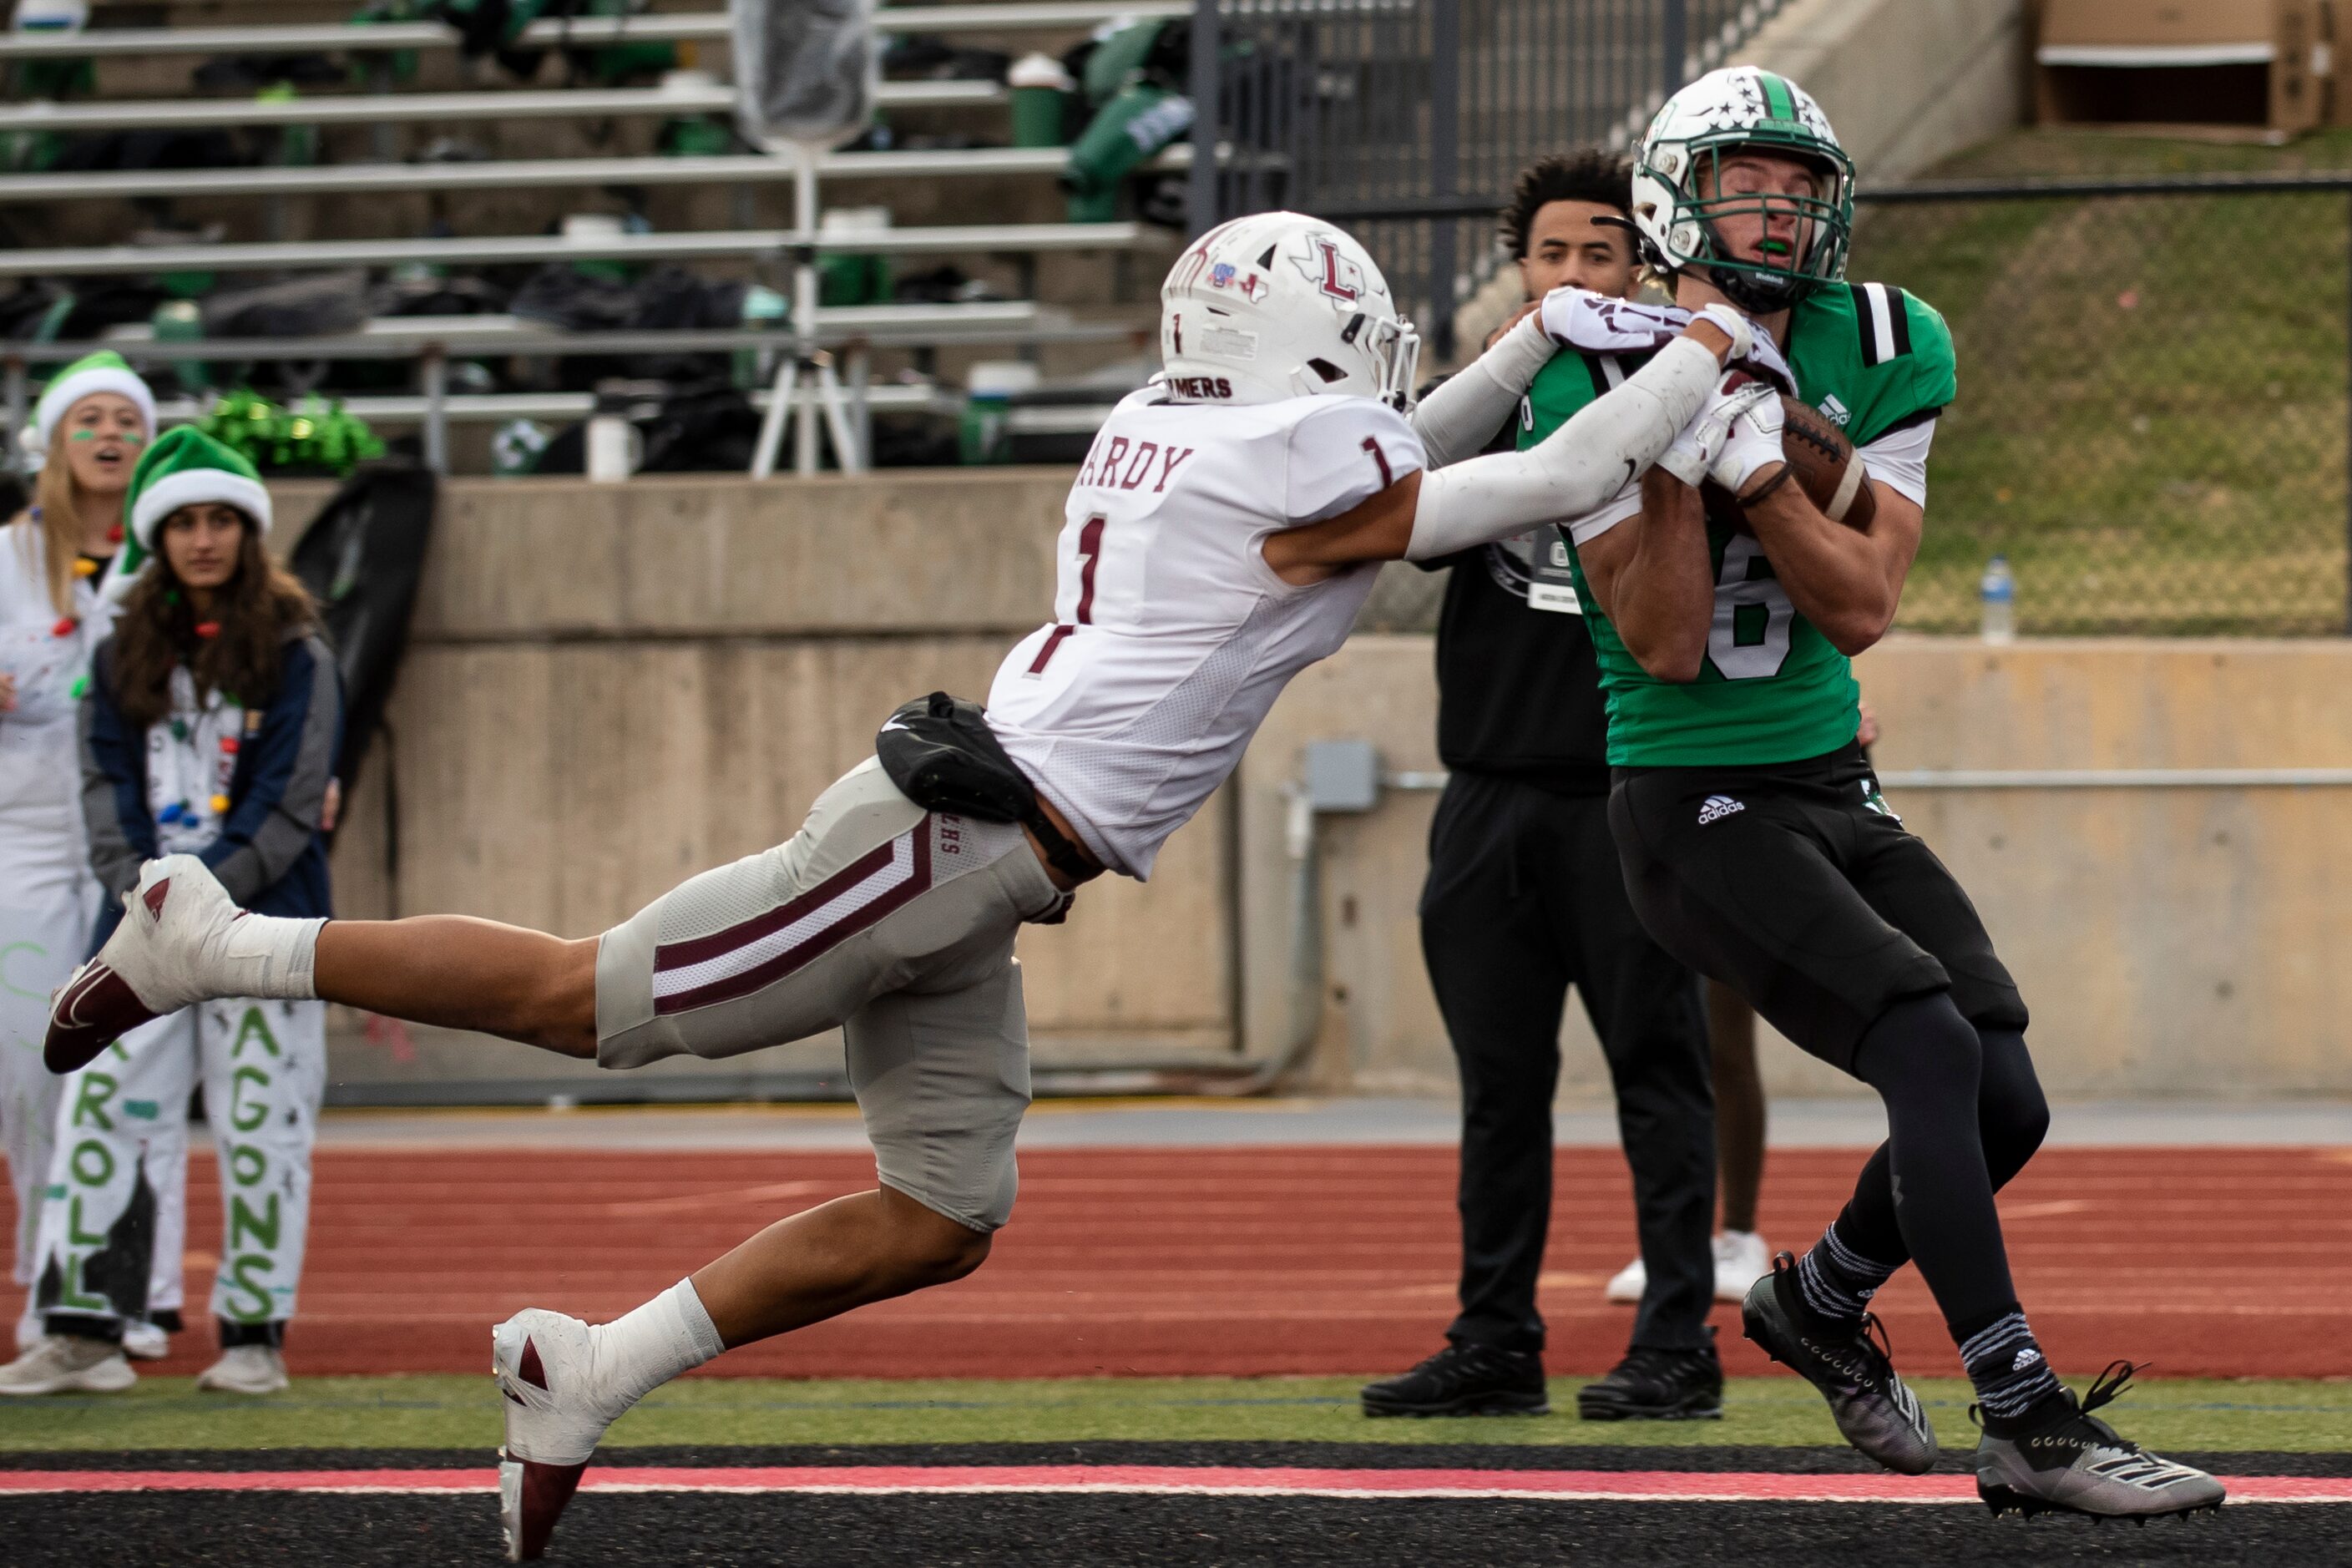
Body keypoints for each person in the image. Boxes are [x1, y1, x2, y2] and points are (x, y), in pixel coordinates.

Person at [41, 211, 1758, 1560]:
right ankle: (220, 940)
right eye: (1349, 339)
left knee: (941, 1211)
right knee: (593, 1001)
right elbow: (1537, 482)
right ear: (1294, 344)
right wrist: (1698, 353)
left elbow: (1418, 452)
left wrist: (1539, 330)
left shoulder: (1200, 426)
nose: (1374, 367)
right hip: (937, 843)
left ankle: (592, 1368)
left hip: (986, 861)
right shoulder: (1282, 462)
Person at [1517, 65, 2223, 1518]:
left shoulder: (1888, 336)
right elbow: (1659, 638)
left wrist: (1761, 467)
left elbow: (1863, 600)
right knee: (1918, 1036)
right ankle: (2022, 1413)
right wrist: (1672, 448)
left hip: (1833, 775)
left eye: (1795, 183)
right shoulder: (1583, 366)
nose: (1775, 207)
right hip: (1688, 794)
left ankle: (1818, 1298)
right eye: (1743, 180)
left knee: (2003, 1093)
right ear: (1675, 197)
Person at [1359, 151, 1722, 1424]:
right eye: (1553, 255)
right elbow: (1390, 477)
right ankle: (1494, 1336)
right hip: (1487, 791)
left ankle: (1678, 1342)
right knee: (1497, 1089)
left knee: (1657, 1072)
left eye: (1603, 254)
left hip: (1630, 791)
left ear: (1648, 266)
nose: (1576, 278)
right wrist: (1516, 351)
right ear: (1521, 267)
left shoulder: (1683, 399)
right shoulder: (1491, 394)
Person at [2, 427, 340, 1399]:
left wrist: (213, 903)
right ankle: (83, 1334)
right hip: (145, 928)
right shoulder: (119, 651)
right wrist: (142, 893)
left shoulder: (296, 649)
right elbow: (102, 782)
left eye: (221, 520)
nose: (202, 539)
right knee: (105, 1111)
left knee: (262, 1128)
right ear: (159, 535)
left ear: (248, 532)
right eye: (184, 521)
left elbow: (291, 801)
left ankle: (253, 1340)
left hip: (267, 931)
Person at [0, 352, 149, 1360]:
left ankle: (111, 1297)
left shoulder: (169, 555)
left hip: (138, 845)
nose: (109, 435)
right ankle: (49, 1288)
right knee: (31, 1070)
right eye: (88, 418)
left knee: (123, 1077)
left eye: (127, 421)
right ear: (54, 441)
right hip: (22, 843)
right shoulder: (7, 558)